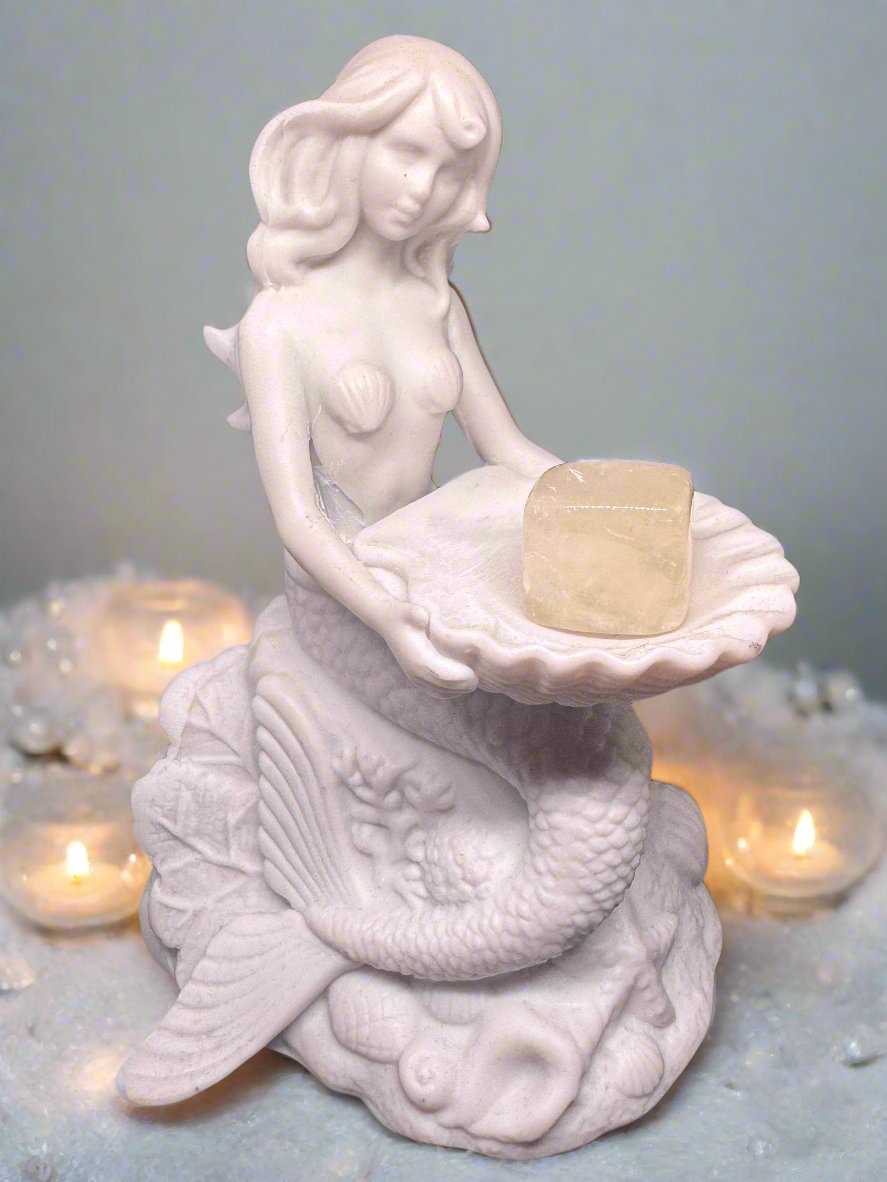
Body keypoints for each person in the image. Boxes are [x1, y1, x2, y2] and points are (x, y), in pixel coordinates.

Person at [207, 35, 557, 694]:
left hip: (429, 562)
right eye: (407, 153)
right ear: (348, 140)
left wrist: (601, 501)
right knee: (515, 729)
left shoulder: (434, 303)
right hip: (346, 596)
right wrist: (389, 618)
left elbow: (506, 450)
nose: (421, 189)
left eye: (449, 171)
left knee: (576, 707)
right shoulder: (279, 323)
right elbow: (299, 519)